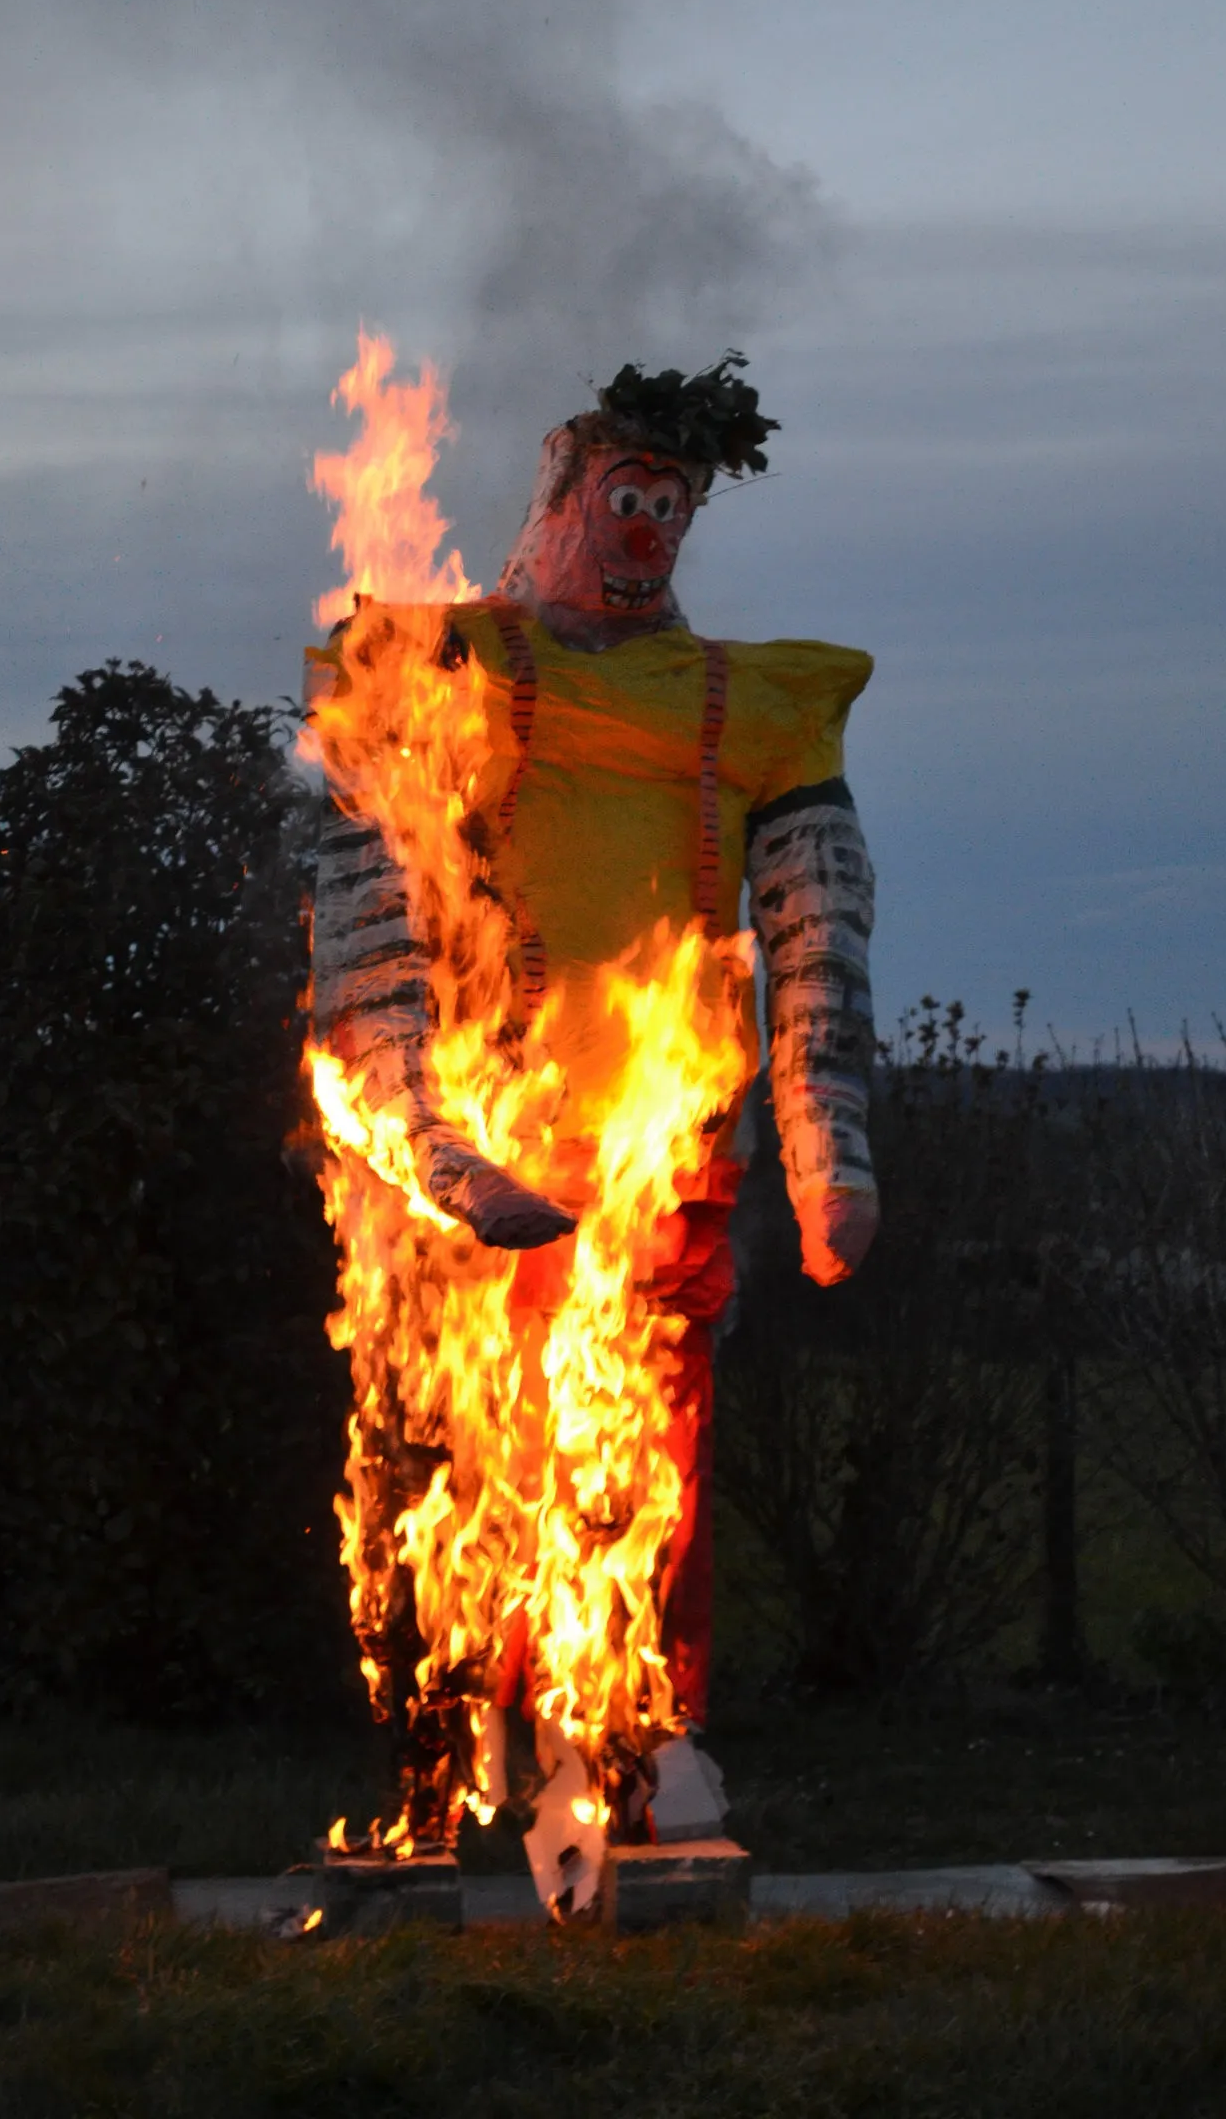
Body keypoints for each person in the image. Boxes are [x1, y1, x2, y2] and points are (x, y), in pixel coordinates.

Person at [310, 355, 877, 1766]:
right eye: (628, 497)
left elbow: (815, 931)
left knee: (651, 1442)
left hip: (667, 1155)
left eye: (674, 507)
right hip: (485, 1151)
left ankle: (638, 1737)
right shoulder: (446, 672)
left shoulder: (755, 707)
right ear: (565, 495)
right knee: (459, 1439)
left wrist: (827, 1145)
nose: (648, 533)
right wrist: (430, 1140)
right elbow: (368, 904)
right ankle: (453, 1735)